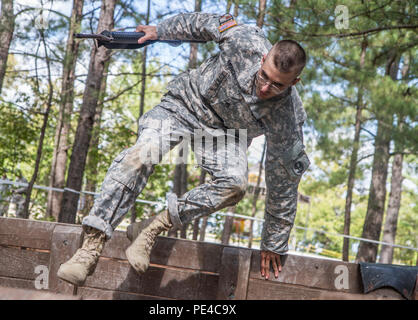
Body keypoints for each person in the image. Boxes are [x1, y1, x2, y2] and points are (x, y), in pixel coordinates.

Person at [57, 12, 310, 285]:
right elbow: (200, 24)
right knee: (142, 154)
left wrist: (274, 241)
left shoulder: (288, 115)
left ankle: (151, 228)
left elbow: (283, 180)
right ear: (262, 60)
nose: (265, 88)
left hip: (226, 135)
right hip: (185, 104)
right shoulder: (244, 40)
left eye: (277, 85)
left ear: (294, 83)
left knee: (235, 184)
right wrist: (160, 30)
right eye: (264, 77)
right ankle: (90, 247)